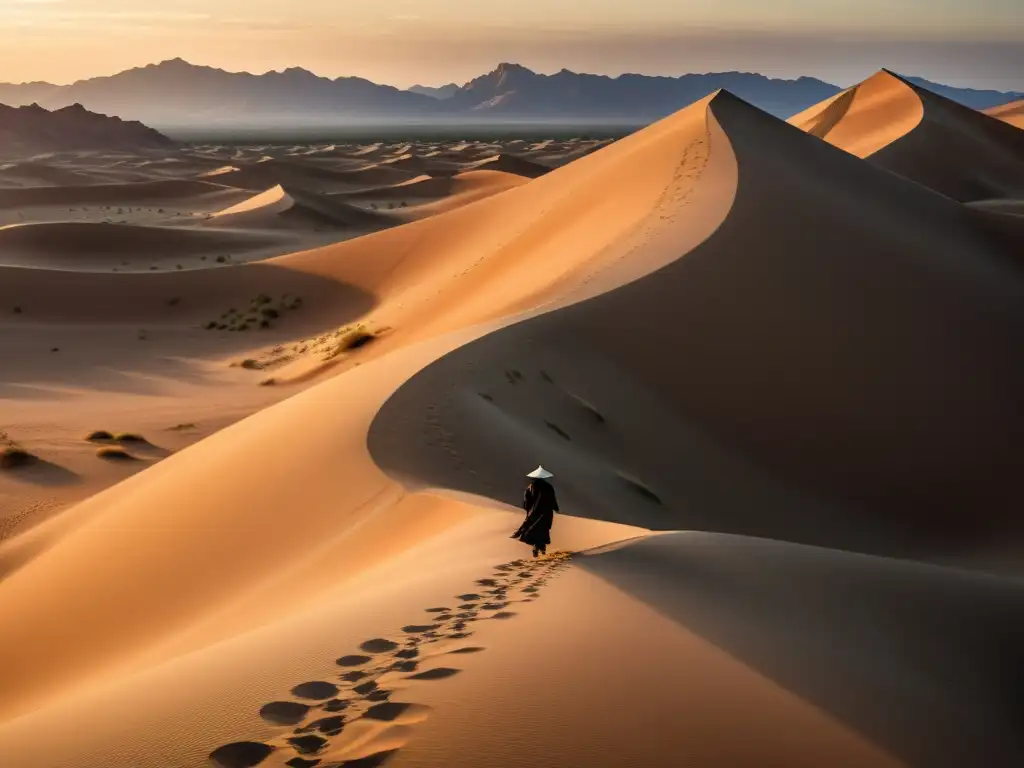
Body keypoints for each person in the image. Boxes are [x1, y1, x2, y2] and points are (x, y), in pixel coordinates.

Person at [511, 465, 559, 557]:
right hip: (546, 513)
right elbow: (552, 499)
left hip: (534, 512)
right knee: (543, 529)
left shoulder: (531, 487)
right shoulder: (548, 487)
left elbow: (526, 501)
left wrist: (529, 511)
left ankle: (537, 549)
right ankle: (541, 549)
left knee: (535, 529)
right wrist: (555, 508)